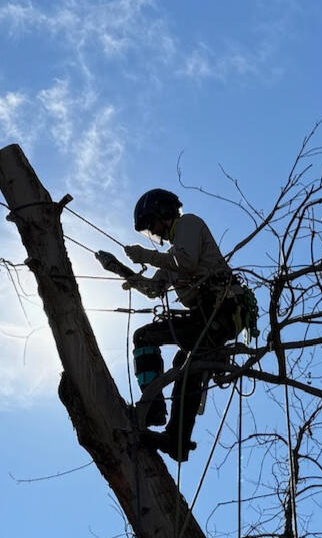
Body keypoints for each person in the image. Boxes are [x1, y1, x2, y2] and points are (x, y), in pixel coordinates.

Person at [95, 188, 252, 460]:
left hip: (222, 312)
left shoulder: (188, 224)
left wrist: (145, 255)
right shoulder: (172, 256)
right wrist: (119, 268)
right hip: (207, 319)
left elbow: (187, 263)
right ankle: (175, 437)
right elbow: (154, 289)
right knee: (178, 363)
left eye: (152, 224)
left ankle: (161, 418)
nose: (153, 233)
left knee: (169, 354)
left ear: (164, 212)